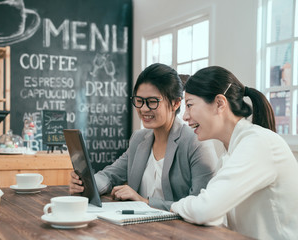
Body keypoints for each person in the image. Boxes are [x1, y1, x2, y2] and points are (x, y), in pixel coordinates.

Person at [170, 66, 298, 240]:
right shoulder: (229, 155)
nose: (184, 116)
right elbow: (214, 215)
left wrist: (176, 206)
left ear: (220, 103)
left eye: (190, 105)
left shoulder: (258, 143)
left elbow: (205, 210)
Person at [70, 63, 218, 211]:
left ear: (175, 103)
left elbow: (200, 206)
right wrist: (86, 184)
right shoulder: (139, 139)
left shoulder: (196, 143)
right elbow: (110, 175)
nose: (143, 109)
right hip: (140, 229)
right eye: (139, 101)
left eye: (152, 102)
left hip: (179, 231)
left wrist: (145, 202)